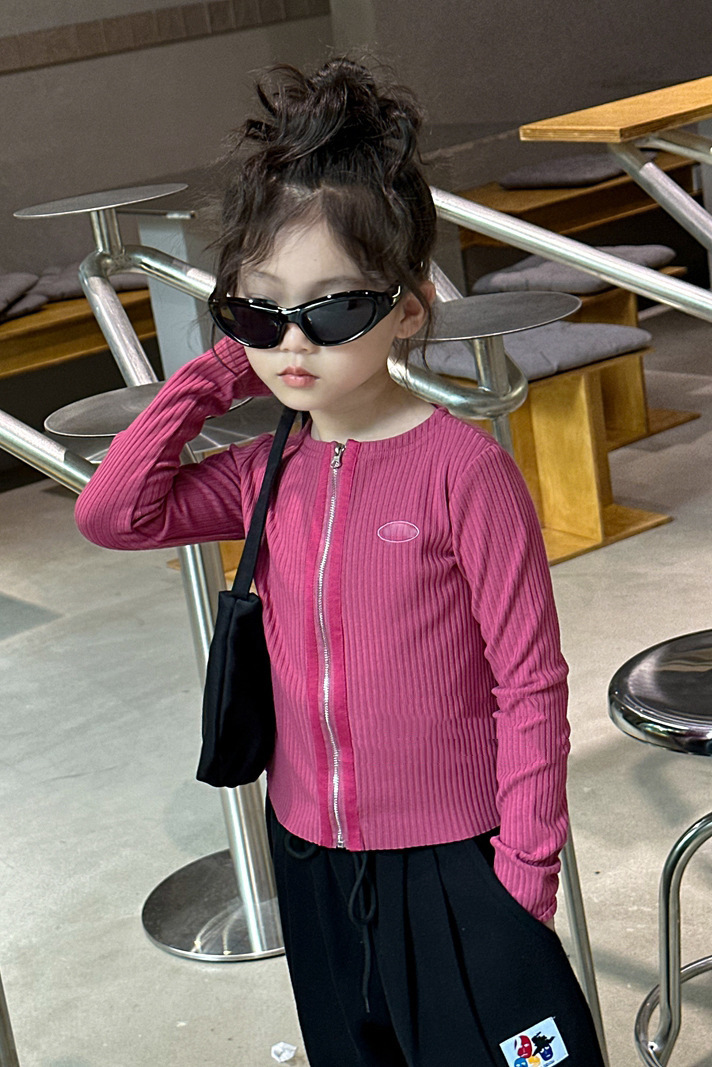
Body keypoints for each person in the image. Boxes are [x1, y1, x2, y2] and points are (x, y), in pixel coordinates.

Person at [75, 58, 605, 1067]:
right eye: (258, 310)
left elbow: (529, 682)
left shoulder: (463, 472)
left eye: (331, 309)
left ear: (409, 306)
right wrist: (219, 368)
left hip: (454, 859)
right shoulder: (263, 471)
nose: (293, 343)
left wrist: (524, 874)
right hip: (311, 854)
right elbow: (112, 513)